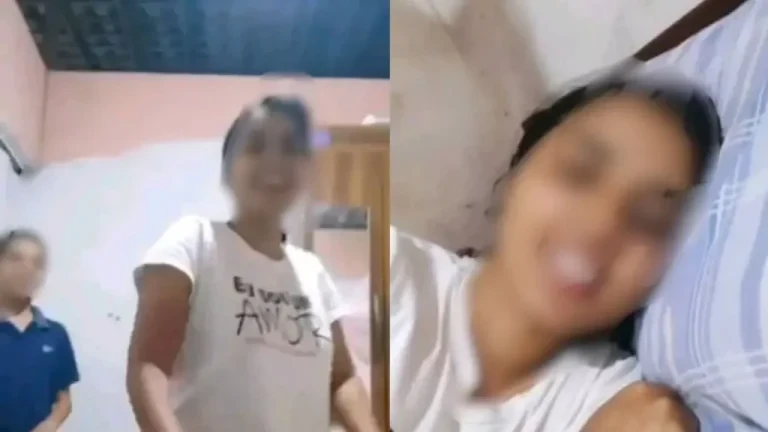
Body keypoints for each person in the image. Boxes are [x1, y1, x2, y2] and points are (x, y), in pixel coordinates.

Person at [389, 73, 722, 431]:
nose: (601, 224)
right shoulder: (378, 273)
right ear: (516, 174)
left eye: (650, 217)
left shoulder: (619, 410)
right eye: (579, 171)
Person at [126, 96, 379, 432]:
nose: (275, 161)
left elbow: (343, 379)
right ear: (227, 170)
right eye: (256, 145)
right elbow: (149, 366)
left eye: (290, 148)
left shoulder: (314, 272)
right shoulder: (194, 241)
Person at [0, 229, 79, 432]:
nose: (27, 269)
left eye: (37, 263)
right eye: (16, 259)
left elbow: (64, 399)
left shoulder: (55, 334)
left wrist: (51, 423)